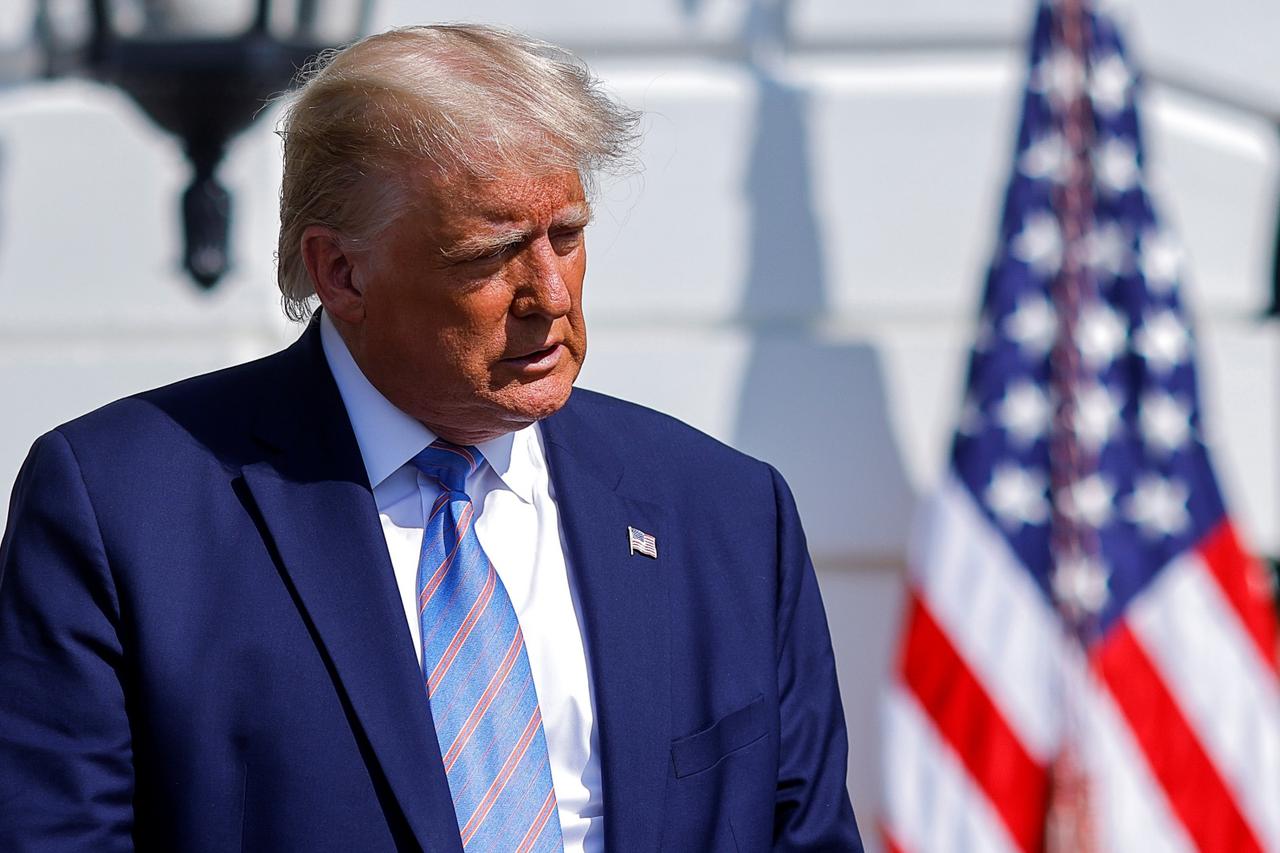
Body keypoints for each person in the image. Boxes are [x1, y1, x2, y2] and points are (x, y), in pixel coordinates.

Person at [0, 24, 861, 852]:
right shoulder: (121, 511)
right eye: (491, 254)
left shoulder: (725, 512)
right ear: (342, 271)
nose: (551, 295)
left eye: (567, 236)